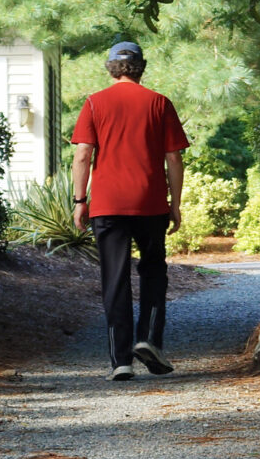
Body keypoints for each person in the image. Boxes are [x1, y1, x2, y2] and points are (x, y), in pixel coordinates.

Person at [71, 41, 189, 381]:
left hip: (107, 205)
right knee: (153, 272)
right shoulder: (159, 103)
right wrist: (175, 204)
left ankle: (120, 360)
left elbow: (82, 155)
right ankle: (149, 339)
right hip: (150, 203)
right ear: (141, 67)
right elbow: (173, 158)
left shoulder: (94, 103)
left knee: (115, 279)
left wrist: (81, 202)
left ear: (110, 67)